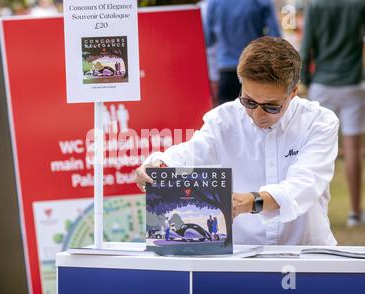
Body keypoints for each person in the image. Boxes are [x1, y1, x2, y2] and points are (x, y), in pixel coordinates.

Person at [136, 37, 339, 246]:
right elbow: (192, 152)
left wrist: (251, 202)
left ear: (293, 92)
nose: (257, 114)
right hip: (243, 254)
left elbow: (304, 183)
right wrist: (159, 165)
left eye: (271, 106)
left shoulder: (319, 121)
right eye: (249, 101)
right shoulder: (223, 119)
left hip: (306, 251)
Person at [300, 0, 365, 228]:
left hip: (322, 84)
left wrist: (307, 81)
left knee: (315, 151)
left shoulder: (316, 6)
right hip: (353, 84)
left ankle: (314, 213)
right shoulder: (358, 5)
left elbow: (306, 46)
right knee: (354, 150)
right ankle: (355, 213)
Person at [204, 0, 281, 105]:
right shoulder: (262, 2)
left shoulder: (214, 2)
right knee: (255, 116)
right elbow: (275, 37)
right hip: (254, 68)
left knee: (226, 116)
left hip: (226, 69)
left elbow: (208, 39)